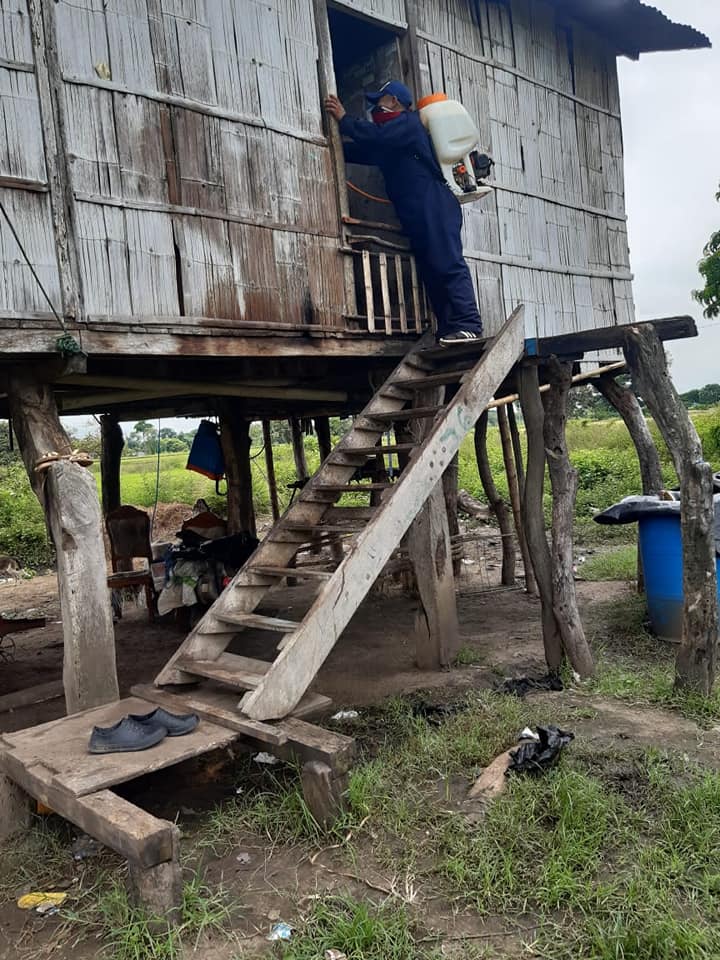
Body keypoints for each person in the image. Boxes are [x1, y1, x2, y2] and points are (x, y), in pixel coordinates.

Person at [325, 80, 483, 345]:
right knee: (432, 270)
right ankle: (449, 329)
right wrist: (333, 143)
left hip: (434, 204)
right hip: (417, 212)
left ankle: (469, 325)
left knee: (448, 263)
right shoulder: (392, 141)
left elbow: (376, 137)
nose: (375, 108)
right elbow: (367, 150)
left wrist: (344, 120)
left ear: (394, 101)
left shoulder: (408, 124)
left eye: (379, 101)